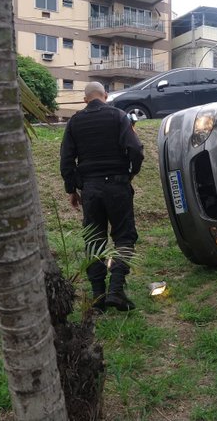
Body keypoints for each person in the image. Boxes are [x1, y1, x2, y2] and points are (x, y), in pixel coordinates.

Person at [60, 82, 144, 313]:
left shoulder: (74, 122)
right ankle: (116, 290)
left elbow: (66, 159)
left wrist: (72, 189)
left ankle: (98, 297)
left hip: (90, 189)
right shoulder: (119, 116)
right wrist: (130, 173)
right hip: (117, 185)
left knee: (94, 240)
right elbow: (136, 149)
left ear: (85, 99)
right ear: (105, 96)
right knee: (124, 236)